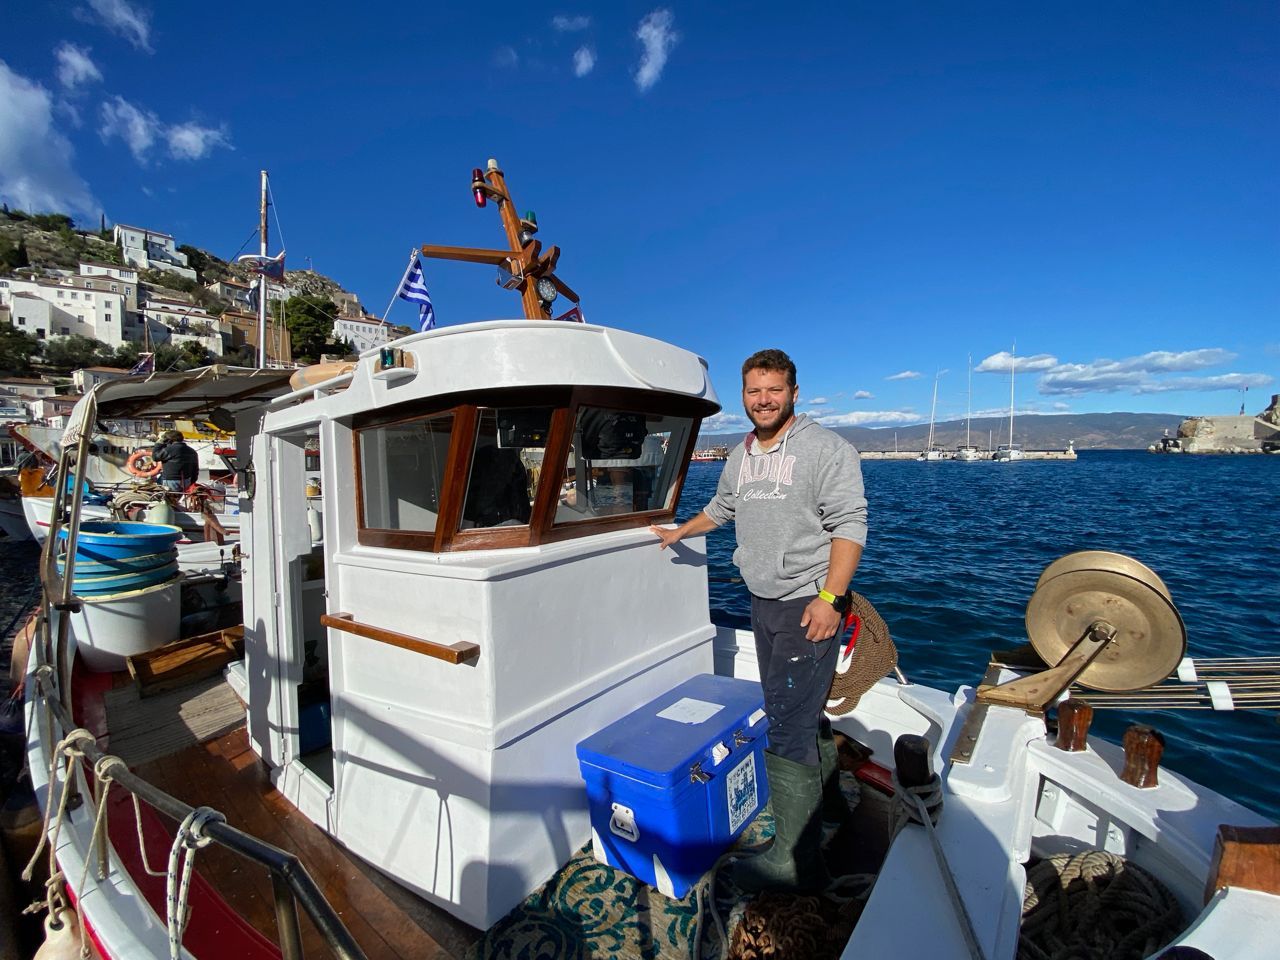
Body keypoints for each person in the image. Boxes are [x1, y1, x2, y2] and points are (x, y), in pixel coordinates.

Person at [651, 348, 867, 893]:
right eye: (753, 391)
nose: (763, 400)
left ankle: (795, 864)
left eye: (773, 390)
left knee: (788, 724)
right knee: (795, 707)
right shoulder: (740, 455)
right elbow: (724, 509)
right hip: (761, 600)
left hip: (807, 604)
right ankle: (833, 803)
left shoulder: (826, 449)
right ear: (744, 396)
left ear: (794, 392)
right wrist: (680, 531)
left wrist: (831, 598)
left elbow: (850, 524)